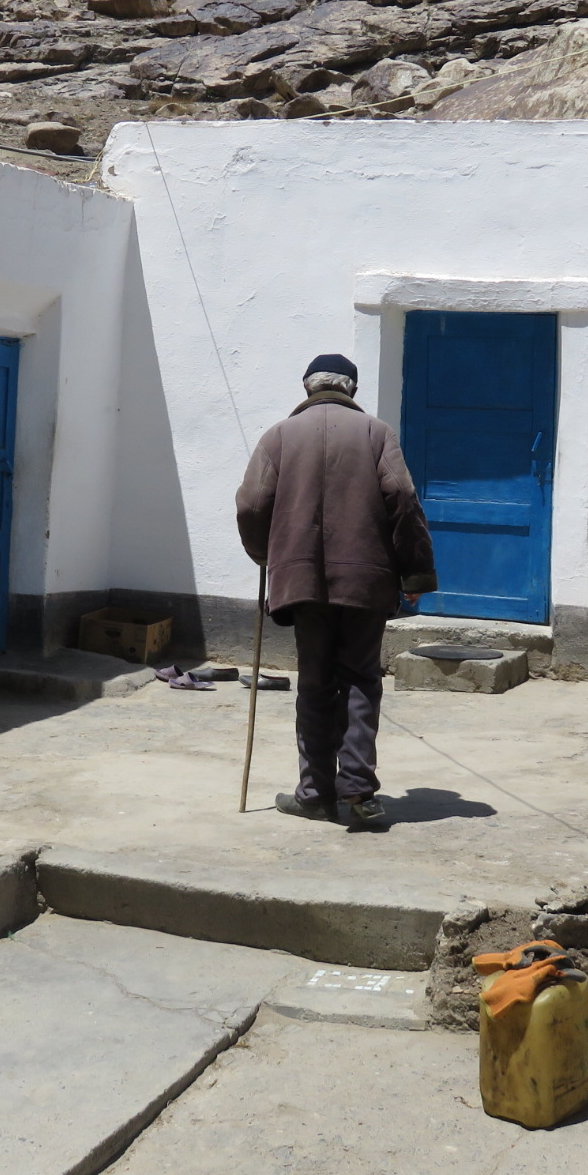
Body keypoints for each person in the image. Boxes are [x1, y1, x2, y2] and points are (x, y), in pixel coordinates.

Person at [235, 354, 438, 828]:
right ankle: (360, 793)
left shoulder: (279, 437)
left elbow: (250, 504)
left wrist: (266, 553)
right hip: (366, 582)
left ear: (307, 387)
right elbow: (404, 499)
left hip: (302, 582)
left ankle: (315, 793)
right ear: (352, 388)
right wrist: (416, 573)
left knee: (316, 681)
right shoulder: (376, 433)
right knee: (361, 679)